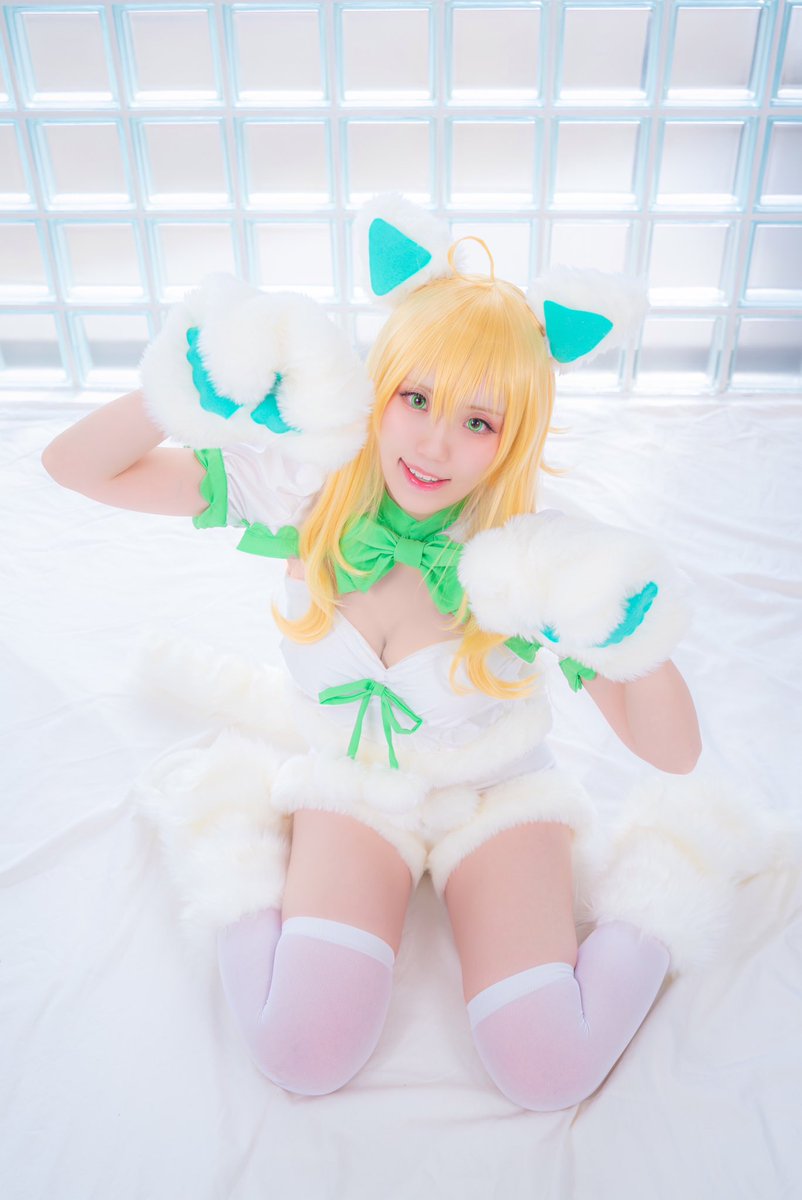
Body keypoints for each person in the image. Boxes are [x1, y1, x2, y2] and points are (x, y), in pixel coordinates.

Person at [40, 192, 791, 1112]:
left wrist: (637, 638)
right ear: (378, 386)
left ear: (515, 439)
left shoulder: (533, 554)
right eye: (417, 399)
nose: (435, 443)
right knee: (301, 1053)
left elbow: (671, 752)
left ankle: (671, 873)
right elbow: (76, 467)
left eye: (479, 421)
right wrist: (186, 394)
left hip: (496, 795)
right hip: (356, 787)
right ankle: (228, 833)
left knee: (548, 1071)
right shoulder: (306, 488)